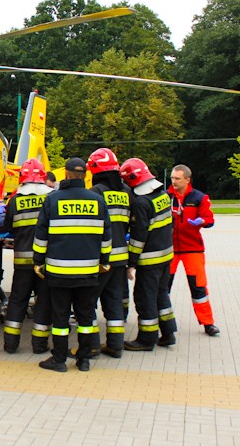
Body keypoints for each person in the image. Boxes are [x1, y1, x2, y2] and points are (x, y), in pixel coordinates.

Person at [33, 157, 111, 372]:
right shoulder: (98, 200)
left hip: (59, 271)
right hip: (88, 272)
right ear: (86, 176)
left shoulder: (52, 199)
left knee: (60, 317)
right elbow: (106, 237)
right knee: (86, 317)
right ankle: (83, 360)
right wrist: (104, 261)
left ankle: (59, 360)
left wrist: (38, 262)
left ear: (65, 174)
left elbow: (41, 237)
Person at [119, 158, 177, 351]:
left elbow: (138, 237)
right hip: (166, 255)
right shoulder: (162, 195)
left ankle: (147, 338)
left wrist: (131, 263)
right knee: (162, 295)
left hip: (149, 260)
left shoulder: (142, 203)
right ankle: (168, 333)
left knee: (144, 298)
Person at [2, 158, 53, 354]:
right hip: (45, 262)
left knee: (17, 301)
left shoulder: (15, 199)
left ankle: (10, 344)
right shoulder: (51, 198)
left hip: (22, 262)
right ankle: (39, 345)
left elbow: (8, 227)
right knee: (43, 301)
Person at [87, 148, 132, 358]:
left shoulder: (96, 192)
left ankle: (92, 346)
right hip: (121, 258)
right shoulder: (126, 191)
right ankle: (115, 346)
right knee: (114, 302)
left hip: (101, 259)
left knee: (88, 303)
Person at [168, 164, 220, 336]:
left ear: (187, 180)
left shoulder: (199, 197)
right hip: (169, 249)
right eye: (172, 178)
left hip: (193, 249)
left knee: (198, 287)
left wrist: (202, 221)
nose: (174, 182)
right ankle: (162, 321)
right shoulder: (166, 197)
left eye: (177, 179)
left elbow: (209, 219)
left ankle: (208, 323)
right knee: (162, 286)